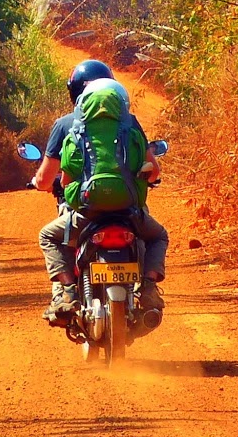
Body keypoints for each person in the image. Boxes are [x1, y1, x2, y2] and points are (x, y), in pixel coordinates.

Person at [30, 58, 169, 324]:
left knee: (49, 236)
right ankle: (149, 287)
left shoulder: (66, 126)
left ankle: (67, 291)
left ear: (76, 93)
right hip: (128, 211)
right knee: (158, 235)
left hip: (87, 212)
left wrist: (44, 183)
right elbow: (153, 169)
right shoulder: (130, 124)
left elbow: (52, 178)